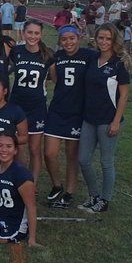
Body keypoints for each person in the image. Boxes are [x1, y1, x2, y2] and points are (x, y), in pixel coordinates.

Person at [78, 22, 131, 213]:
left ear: (114, 39)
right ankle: (94, 195)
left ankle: (105, 200)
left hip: (108, 119)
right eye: (101, 38)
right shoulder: (92, 59)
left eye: (108, 38)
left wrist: (116, 120)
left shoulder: (119, 63)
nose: (104, 42)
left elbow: (124, 95)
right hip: (89, 118)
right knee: (83, 159)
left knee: (106, 162)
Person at [44, 25, 94, 208]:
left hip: (77, 112)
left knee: (72, 155)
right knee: (49, 153)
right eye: (64, 39)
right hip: (57, 110)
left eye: (71, 38)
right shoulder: (57, 57)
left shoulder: (89, 55)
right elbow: (55, 79)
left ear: (78, 38)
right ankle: (57, 185)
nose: (68, 42)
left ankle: (69, 192)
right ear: (60, 41)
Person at [9, 20, 54, 185]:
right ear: (23, 33)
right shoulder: (16, 51)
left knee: (34, 149)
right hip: (17, 105)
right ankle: (21, 181)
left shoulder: (47, 54)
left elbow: (54, 78)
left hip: (37, 107)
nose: (33, 36)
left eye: (36, 33)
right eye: (30, 32)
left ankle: (32, 184)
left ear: (41, 35)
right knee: (18, 148)